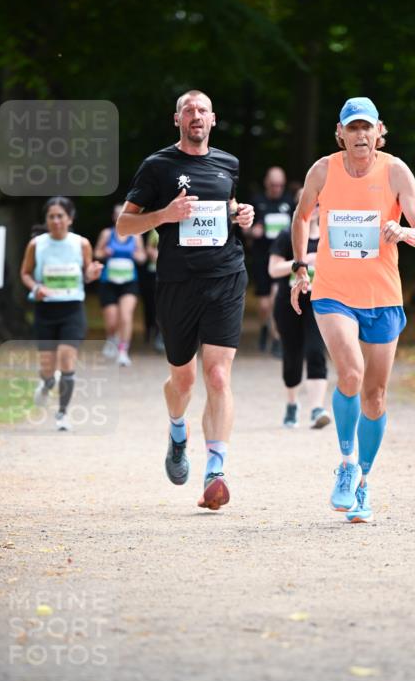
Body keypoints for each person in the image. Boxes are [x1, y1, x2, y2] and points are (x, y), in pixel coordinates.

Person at [291, 97, 415, 523]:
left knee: (375, 395)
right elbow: (302, 218)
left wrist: (403, 231)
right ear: (340, 133)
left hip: (384, 296)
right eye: (351, 128)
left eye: (365, 128)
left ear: (379, 131)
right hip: (333, 291)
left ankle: (364, 483)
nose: (359, 136)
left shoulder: (395, 171)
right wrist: (302, 266)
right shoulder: (323, 170)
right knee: (350, 373)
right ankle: (347, 462)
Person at [116, 90, 254, 510]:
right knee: (184, 380)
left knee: (217, 376)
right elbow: (124, 225)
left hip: (226, 276)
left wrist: (240, 215)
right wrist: (163, 216)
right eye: (189, 110)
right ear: (176, 119)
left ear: (214, 119)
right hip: (177, 284)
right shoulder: (158, 166)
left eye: (203, 110)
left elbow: (225, 210)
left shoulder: (228, 163)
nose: (196, 116)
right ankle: (177, 432)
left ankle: (216, 468)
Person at [20, 197, 103, 431]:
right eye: (51, 217)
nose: (56, 221)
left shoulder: (81, 243)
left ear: (70, 218)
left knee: (67, 360)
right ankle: (46, 384)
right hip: (45, 310)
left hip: (72, 309)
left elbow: (86, 273)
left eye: (60, 216)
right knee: (48, 369)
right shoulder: (37, 244)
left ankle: (62, 414)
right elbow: (25, 273)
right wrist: (36, 288)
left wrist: (92, 273)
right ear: (46, 220)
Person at [268, 199, 331, 430]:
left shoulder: (328, 235)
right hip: (289, 302)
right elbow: (273, 269)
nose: (315, 207)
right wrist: (300, 262)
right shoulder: (287, 236)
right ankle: (292, 404)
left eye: (319, 203)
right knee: (292, 355)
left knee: (315, 351)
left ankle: (317, 409)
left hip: (319, 301)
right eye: (310, 203)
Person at [94, 204, 147, 366]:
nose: (120, 217)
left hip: (129, 282)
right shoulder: (107, 233)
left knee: (126, 315)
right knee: (111, 321)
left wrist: (136, 255)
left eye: (123, 214)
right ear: (113, 217)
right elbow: (96, 253)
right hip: (108, 281)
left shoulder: (135, 235)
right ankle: (112, 338)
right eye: (117, 214)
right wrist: (104, 253)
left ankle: (123, 351)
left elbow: (143, 257)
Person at [251, 166, 292, 354]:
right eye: (274, 184)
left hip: (281, 258)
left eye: (281, 185)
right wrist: (252, 231)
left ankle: (277, 340)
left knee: (277, 299)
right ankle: (264, 327)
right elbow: (246, 228)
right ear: (267, 183)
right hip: (262, 257)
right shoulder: (257, 202)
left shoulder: (289, 202)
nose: (277, 188)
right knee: (264, 304)